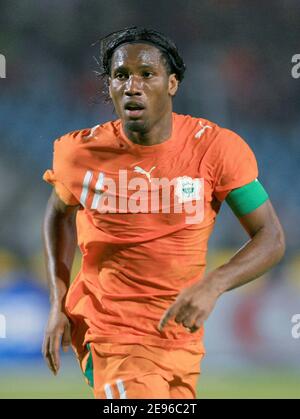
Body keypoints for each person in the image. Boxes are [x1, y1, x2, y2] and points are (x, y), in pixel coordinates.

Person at [42, 26, 285, 399]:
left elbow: (271, 237)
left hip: (178, 338)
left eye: (146, 74)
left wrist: (213, 284)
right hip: (109, 332)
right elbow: (59, 215)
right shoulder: (79, 155)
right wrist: (58, 302)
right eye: (121, 76)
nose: (132, 86)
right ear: (109, 86)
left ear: (171, 83)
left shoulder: (217, 149)